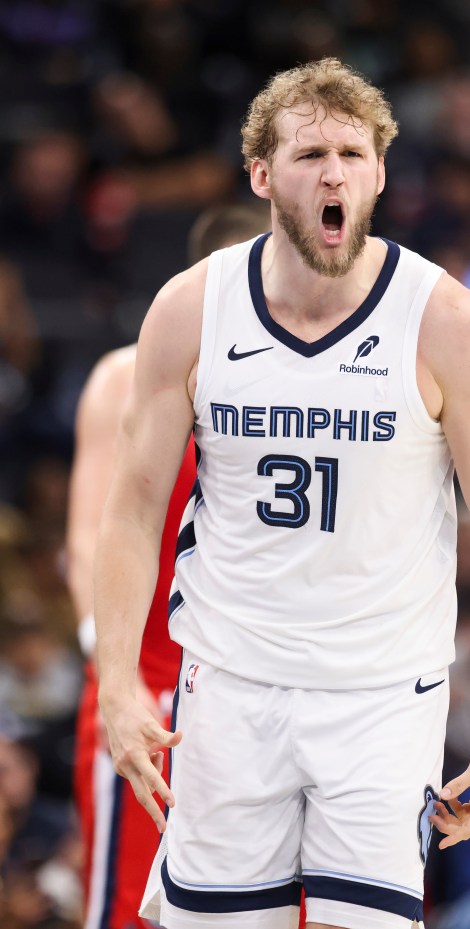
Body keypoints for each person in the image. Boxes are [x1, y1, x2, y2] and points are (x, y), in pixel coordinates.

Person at [94, 58, 470, 929]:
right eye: (309, 155)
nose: (333, 172)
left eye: (352, 152)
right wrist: (116, 682)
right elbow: (132, 506)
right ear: (261, 173)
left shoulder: (443, 319)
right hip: (228, 685)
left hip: (382, 694)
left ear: (378, 171)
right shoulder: (193, 308)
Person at [66, 203, 271, 929]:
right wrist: (111, 668)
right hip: (149, 678)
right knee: (129, 907)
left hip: (260, 687)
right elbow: (93, 534)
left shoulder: (305, 386)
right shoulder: (127, 377)